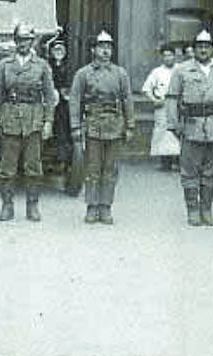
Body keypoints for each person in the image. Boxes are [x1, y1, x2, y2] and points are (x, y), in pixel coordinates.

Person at [166, 29, 213, 227]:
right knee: (189, 171)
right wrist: (173, 124)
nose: (203, 50)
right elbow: (172, 98)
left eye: (207, 46)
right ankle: (192, 210)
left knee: (212, 170)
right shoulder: (181, 70)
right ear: (194, 49)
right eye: (199, 46)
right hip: (192, 127)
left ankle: (206, 209)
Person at [0, 24, 56, 222]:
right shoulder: (4, 64)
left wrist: (48, 121)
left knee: (33, 166)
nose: (23, 43)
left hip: (33, 119)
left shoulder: (42, 65)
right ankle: (7, 205)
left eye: (27, 39)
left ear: (32, 42)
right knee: (7, 167)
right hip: (10, 119)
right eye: (20, 39)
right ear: (15, 41)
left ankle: (32, 206)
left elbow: (49, 96)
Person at [70, 30, 135, 225]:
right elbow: (75, 100)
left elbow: (127, 99)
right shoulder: (83, 74)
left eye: (108, 48)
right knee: (92, 169)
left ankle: (106, 206)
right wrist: (75, 126)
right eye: (101, 47)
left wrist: (130, 125)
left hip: (114, 125)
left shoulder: (120, 73)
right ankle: (92, 206)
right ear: (93, 50)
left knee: (110, 169)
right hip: (93, 125)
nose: (105, 51)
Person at [141, 43, 181, 172]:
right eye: (165, 55)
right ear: (162, 57)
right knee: (163, 133)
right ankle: (165, 162)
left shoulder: (180, 70)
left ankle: (179, 162)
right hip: (162, 105)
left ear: (174, 56)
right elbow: (146, 88)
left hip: (177, 106)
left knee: (178, 131)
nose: (168, 58)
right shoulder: (157, 72)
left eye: (170, 55)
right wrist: (154, 100)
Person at [49, 38, 78, 196]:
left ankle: (63, 149)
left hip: (60, 102)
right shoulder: (47, 66)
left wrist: (62, 93)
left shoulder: (69, 68)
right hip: (49, 99)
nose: (58, 53)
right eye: (56, 50)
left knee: (63, 116)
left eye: (61, 51)